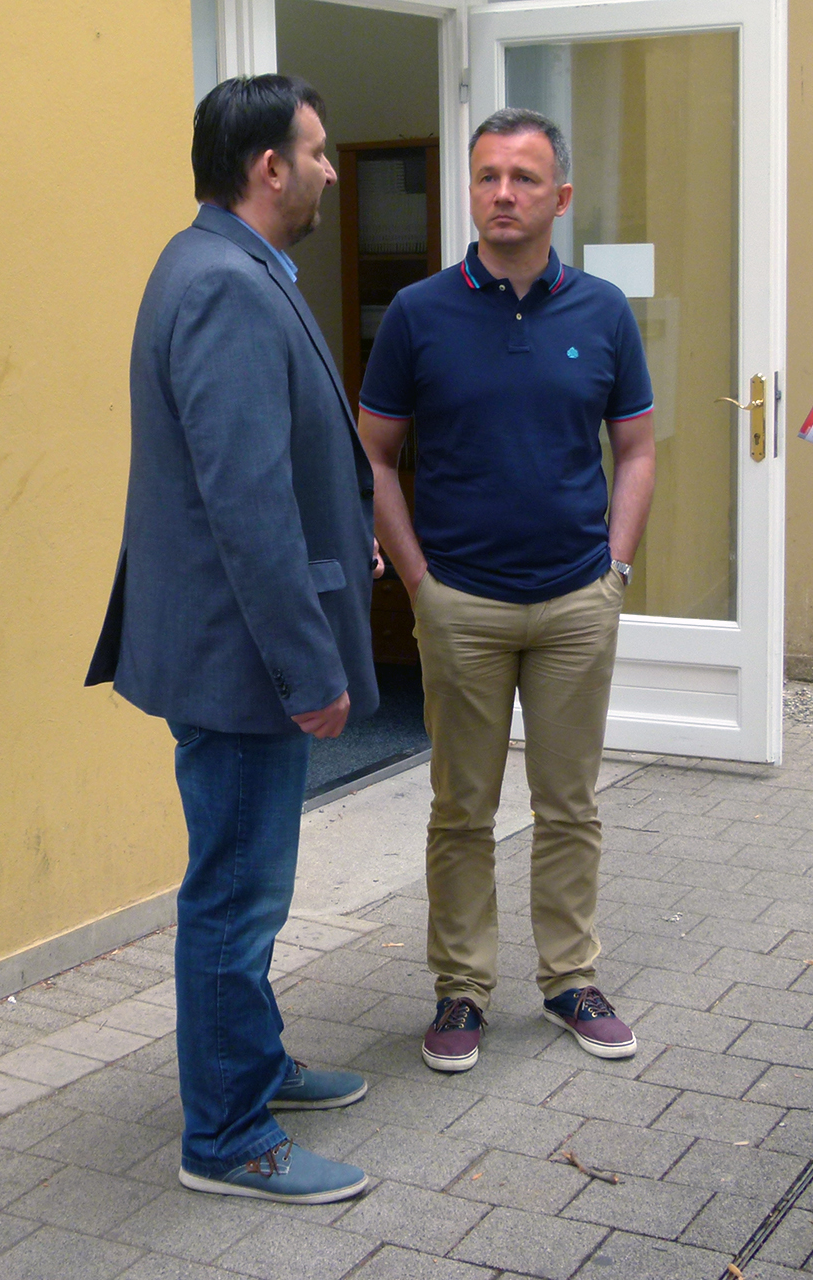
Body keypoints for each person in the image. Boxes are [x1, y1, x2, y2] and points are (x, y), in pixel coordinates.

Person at [85, 74, 380, 1205]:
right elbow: (244, 502)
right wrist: (308, 669)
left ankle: (252, 1064)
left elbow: (273, 467)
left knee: (245, 882)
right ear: (269, 167)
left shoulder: (222, 263)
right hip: (243, 661)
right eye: (318, 152)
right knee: (236, 893)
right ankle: (227, 1136)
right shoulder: (223, 284)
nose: (329, 171)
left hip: (231, 646)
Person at [358, 109, 657, 1075]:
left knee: (570, 807)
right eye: (487, 176)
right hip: (463, 605)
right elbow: (373, 454)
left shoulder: (603, 312)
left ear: (559, 196)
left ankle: (570, 979)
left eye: (524, 178)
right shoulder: (419, 314)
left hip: (575, 603)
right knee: (461, 811)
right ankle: (462, 988)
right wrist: (418, 582)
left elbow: (637, 449)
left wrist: (614, 569)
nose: (503, 194)